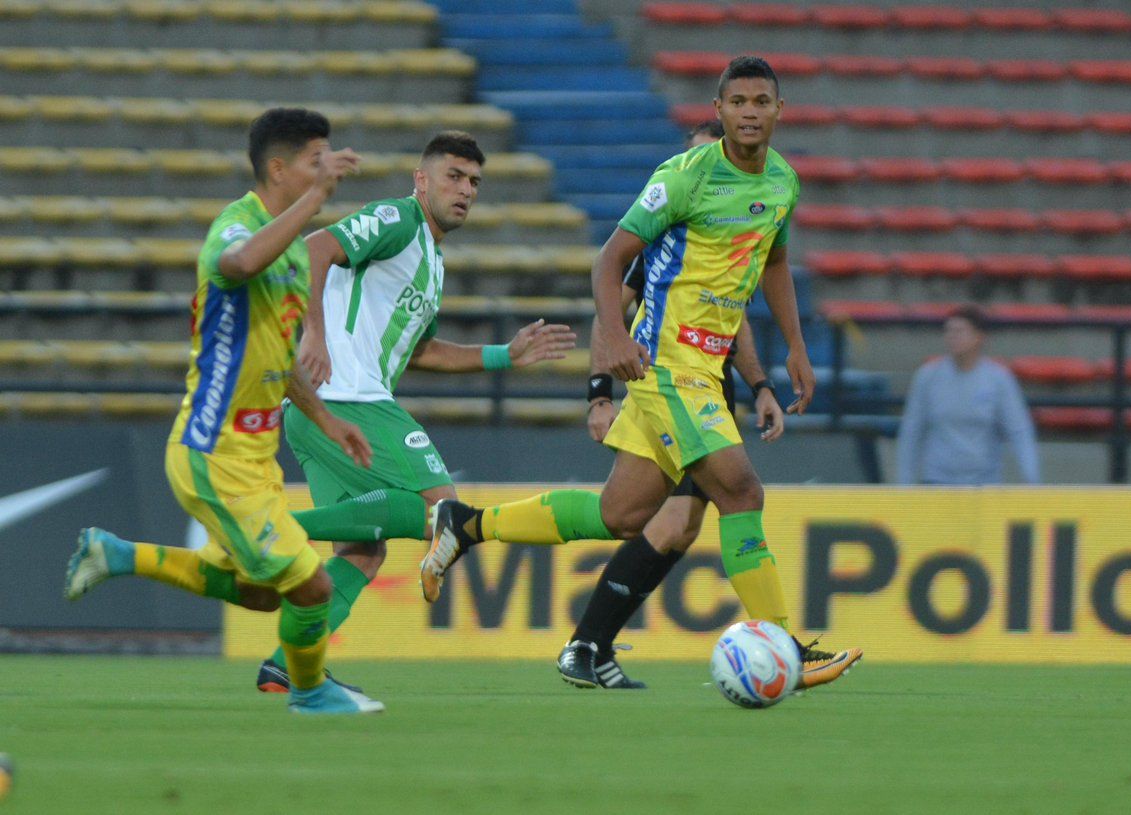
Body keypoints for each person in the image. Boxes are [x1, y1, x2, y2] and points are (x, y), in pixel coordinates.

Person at [421, 57, 862, 693]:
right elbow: (610, 263)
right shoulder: (684, 176)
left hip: (709, 372)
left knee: (622, 514)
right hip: (668, 366)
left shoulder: (784, 184)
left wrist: (792, 351)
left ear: (779, 110)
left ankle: (466, 525)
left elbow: (774, 264)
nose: (748, 112)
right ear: (717, 110)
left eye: (760, 101)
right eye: (736, 101)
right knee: (740, 492)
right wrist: (614, 347)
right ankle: (787, 647)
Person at [63, 108, 385, 714]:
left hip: (255, 455)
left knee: (261, 595)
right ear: (278, 167)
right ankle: (311, 692)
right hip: (213, 449)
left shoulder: (286, 251)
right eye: (316, 161)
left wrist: (327, 420)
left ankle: (116, 553)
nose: (327, 171)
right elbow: (236, 265)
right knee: (311, 585)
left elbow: (278, 354)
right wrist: (315, 200)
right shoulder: (236, 229)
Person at [253, 131, 576, 692]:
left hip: (318, 409)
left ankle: (288, 661)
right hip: (349, 396)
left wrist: (505, 355)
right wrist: (316, 337)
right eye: (453, 176)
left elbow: (421, 350)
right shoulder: (398, 220)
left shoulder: (431, 260)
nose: (466, 190)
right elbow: (313, 249)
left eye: (474, 182)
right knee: (446, 509)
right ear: (421, 180)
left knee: (361, 553)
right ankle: (271, 532)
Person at [569, 119, 804, 690]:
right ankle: (781, 647)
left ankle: (583, 641)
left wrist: (760, 386)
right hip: (671, 381)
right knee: (690, 515)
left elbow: (738, 317)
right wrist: (600, 391)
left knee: (635, 517)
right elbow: (610, 315)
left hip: (711, 387)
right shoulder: (663, 235)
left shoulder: (737, 230)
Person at [896, 305, 1040, 485]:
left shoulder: (998, 379)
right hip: (937, 483)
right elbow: (912, 431)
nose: (952, 337)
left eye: (960, 331)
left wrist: (1032, 481)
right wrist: (903, 484)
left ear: (979, 337)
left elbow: (1019, 431)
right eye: (949, 331)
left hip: (984, 485)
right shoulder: (927, 377)